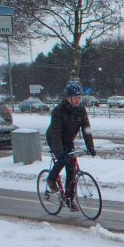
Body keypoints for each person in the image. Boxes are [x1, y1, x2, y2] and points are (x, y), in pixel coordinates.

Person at [46, 82, 96, 211]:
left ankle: (69, 198)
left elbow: (86, 129)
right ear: (68, 99)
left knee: (72, 169)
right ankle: (51, 179)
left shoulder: (80, 110)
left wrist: (90, 147)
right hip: (55, 138)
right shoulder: (58, 111)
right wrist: (59, 152)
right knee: (63, 159)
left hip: (68, 140)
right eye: (75, 98)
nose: (78, 101)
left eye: (79, 98)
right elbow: (55, 132)